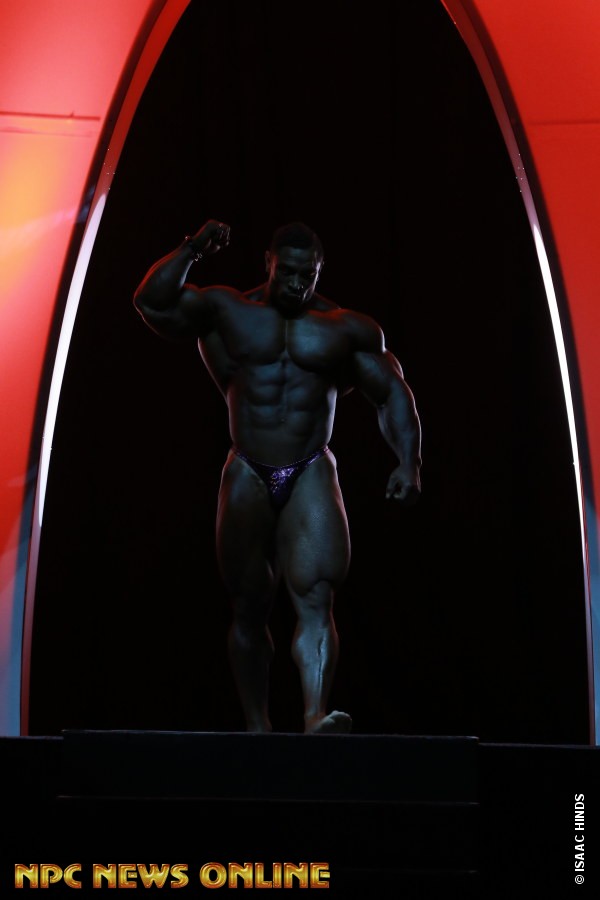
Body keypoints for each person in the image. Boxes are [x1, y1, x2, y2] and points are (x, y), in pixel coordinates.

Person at [133, 219, 422, 734]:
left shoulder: (344, 327)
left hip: (310, 465)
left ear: (319, 271)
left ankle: (314, 716)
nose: (296, 283)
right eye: (286, 271)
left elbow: (391, 392)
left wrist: (409, 461)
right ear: (267, 262)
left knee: (317, 598)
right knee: (248, 606)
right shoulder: (228, 310)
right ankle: (257, 728)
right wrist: (192, 249)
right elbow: (151, 303)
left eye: (307, 275)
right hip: (247, 465)